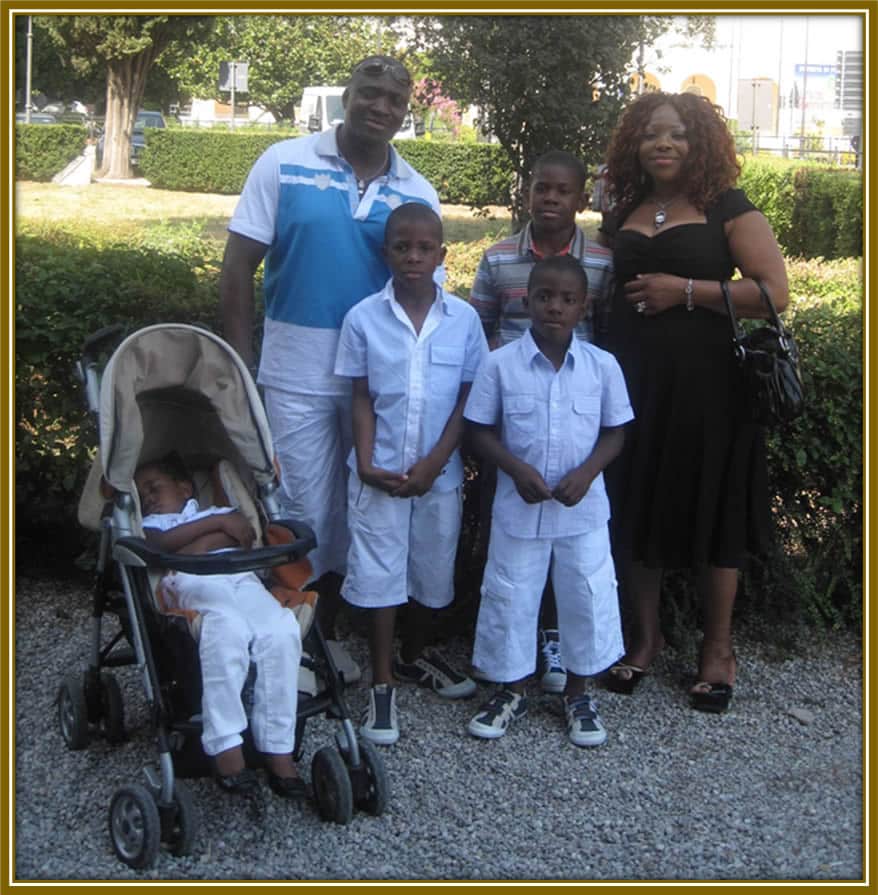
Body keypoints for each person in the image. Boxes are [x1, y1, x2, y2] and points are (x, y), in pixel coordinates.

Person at [219, 55, 441, 658]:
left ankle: (341, 629)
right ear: (348, 95)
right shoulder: (283, 161)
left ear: (405, 111)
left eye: (395, 100)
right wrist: (239, 367)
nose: (381, 107)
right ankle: (294, 635)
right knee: (301, 506)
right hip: (294, 373)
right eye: (370, 93)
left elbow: (424, 291)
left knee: (366, 507)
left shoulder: (416, 191)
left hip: (379, 379)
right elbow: (238, 265)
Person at [598, 91, 789, 713]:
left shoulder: (726, 207)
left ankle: (718, 648)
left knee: (713, 508)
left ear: (698, 141)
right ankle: (645, 639)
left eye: (678, 134)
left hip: (709, 386)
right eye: (653, 133)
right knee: (638, 501)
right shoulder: (624, 206)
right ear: (636, 144)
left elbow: (773, 292)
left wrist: (684, 290)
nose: (664, 143)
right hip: (632, 382)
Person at [334, 203, 488, 746]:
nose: (414, 256)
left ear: (443, 255)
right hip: (377, 475)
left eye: (425, 248)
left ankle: (414, 654)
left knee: (430, 569)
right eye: (403, 247)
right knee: (379, 572)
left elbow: (468, 399)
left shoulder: (464, 321)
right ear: (386, 254)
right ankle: (381, 680)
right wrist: (368, 461)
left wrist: (436, 461)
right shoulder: (363, 319)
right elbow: (359, 397)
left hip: (437, 476)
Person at [463, 255, 633, 746]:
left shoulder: (602, 367)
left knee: (585, 595)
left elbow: (615, 433)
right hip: (520, 511)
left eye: (566, 299)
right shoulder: (499, 365)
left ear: (584, 305)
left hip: (583, 513)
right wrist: (514, 469)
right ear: (526, 299)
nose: (554, 307)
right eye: (544, 297)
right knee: (511, 595)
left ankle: (579, 693)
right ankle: (510, 688)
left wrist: (587, 472)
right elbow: (479, 430)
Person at [468, 149, 615, 696]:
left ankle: (555, 636)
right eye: (540, 188)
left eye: (562, 191)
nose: (549, 199)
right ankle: (510, 640)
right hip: (512, 417)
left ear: (580, 199)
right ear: (527, 192)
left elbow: (605, 332)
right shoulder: (499, 256)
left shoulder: (601, 262)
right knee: (510, 532)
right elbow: (478, 329)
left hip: (576, 417)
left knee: (573, 540)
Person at [134, 453, 305, 797]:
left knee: (281, 630)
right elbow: (162, 547)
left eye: (154, 489)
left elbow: (241, 535)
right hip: (193, 581)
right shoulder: (155, 526)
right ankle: (226, 745)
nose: (148, 499)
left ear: (185, 488)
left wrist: (207, 536)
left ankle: (278, 746)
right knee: (227, 630)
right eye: (141, 495)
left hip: (241, 577)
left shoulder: (221, 511)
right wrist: (214, 531)